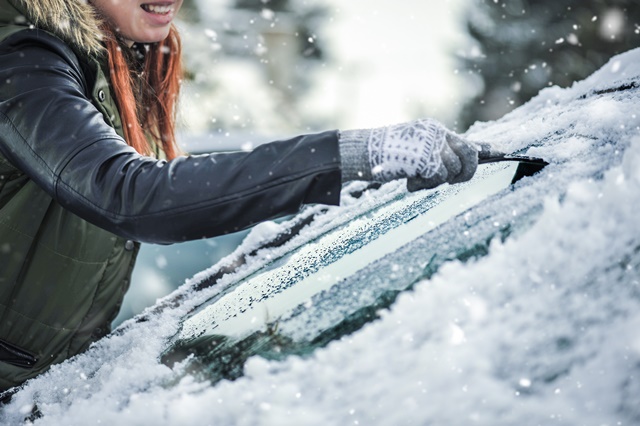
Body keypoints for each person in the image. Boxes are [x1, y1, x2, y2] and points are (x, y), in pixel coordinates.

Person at [0, 0, 479, 391]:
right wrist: (348, 155)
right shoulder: (22, 60)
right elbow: (127, 193)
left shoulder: (115, 59)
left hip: (45, 387)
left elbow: (169, 186)